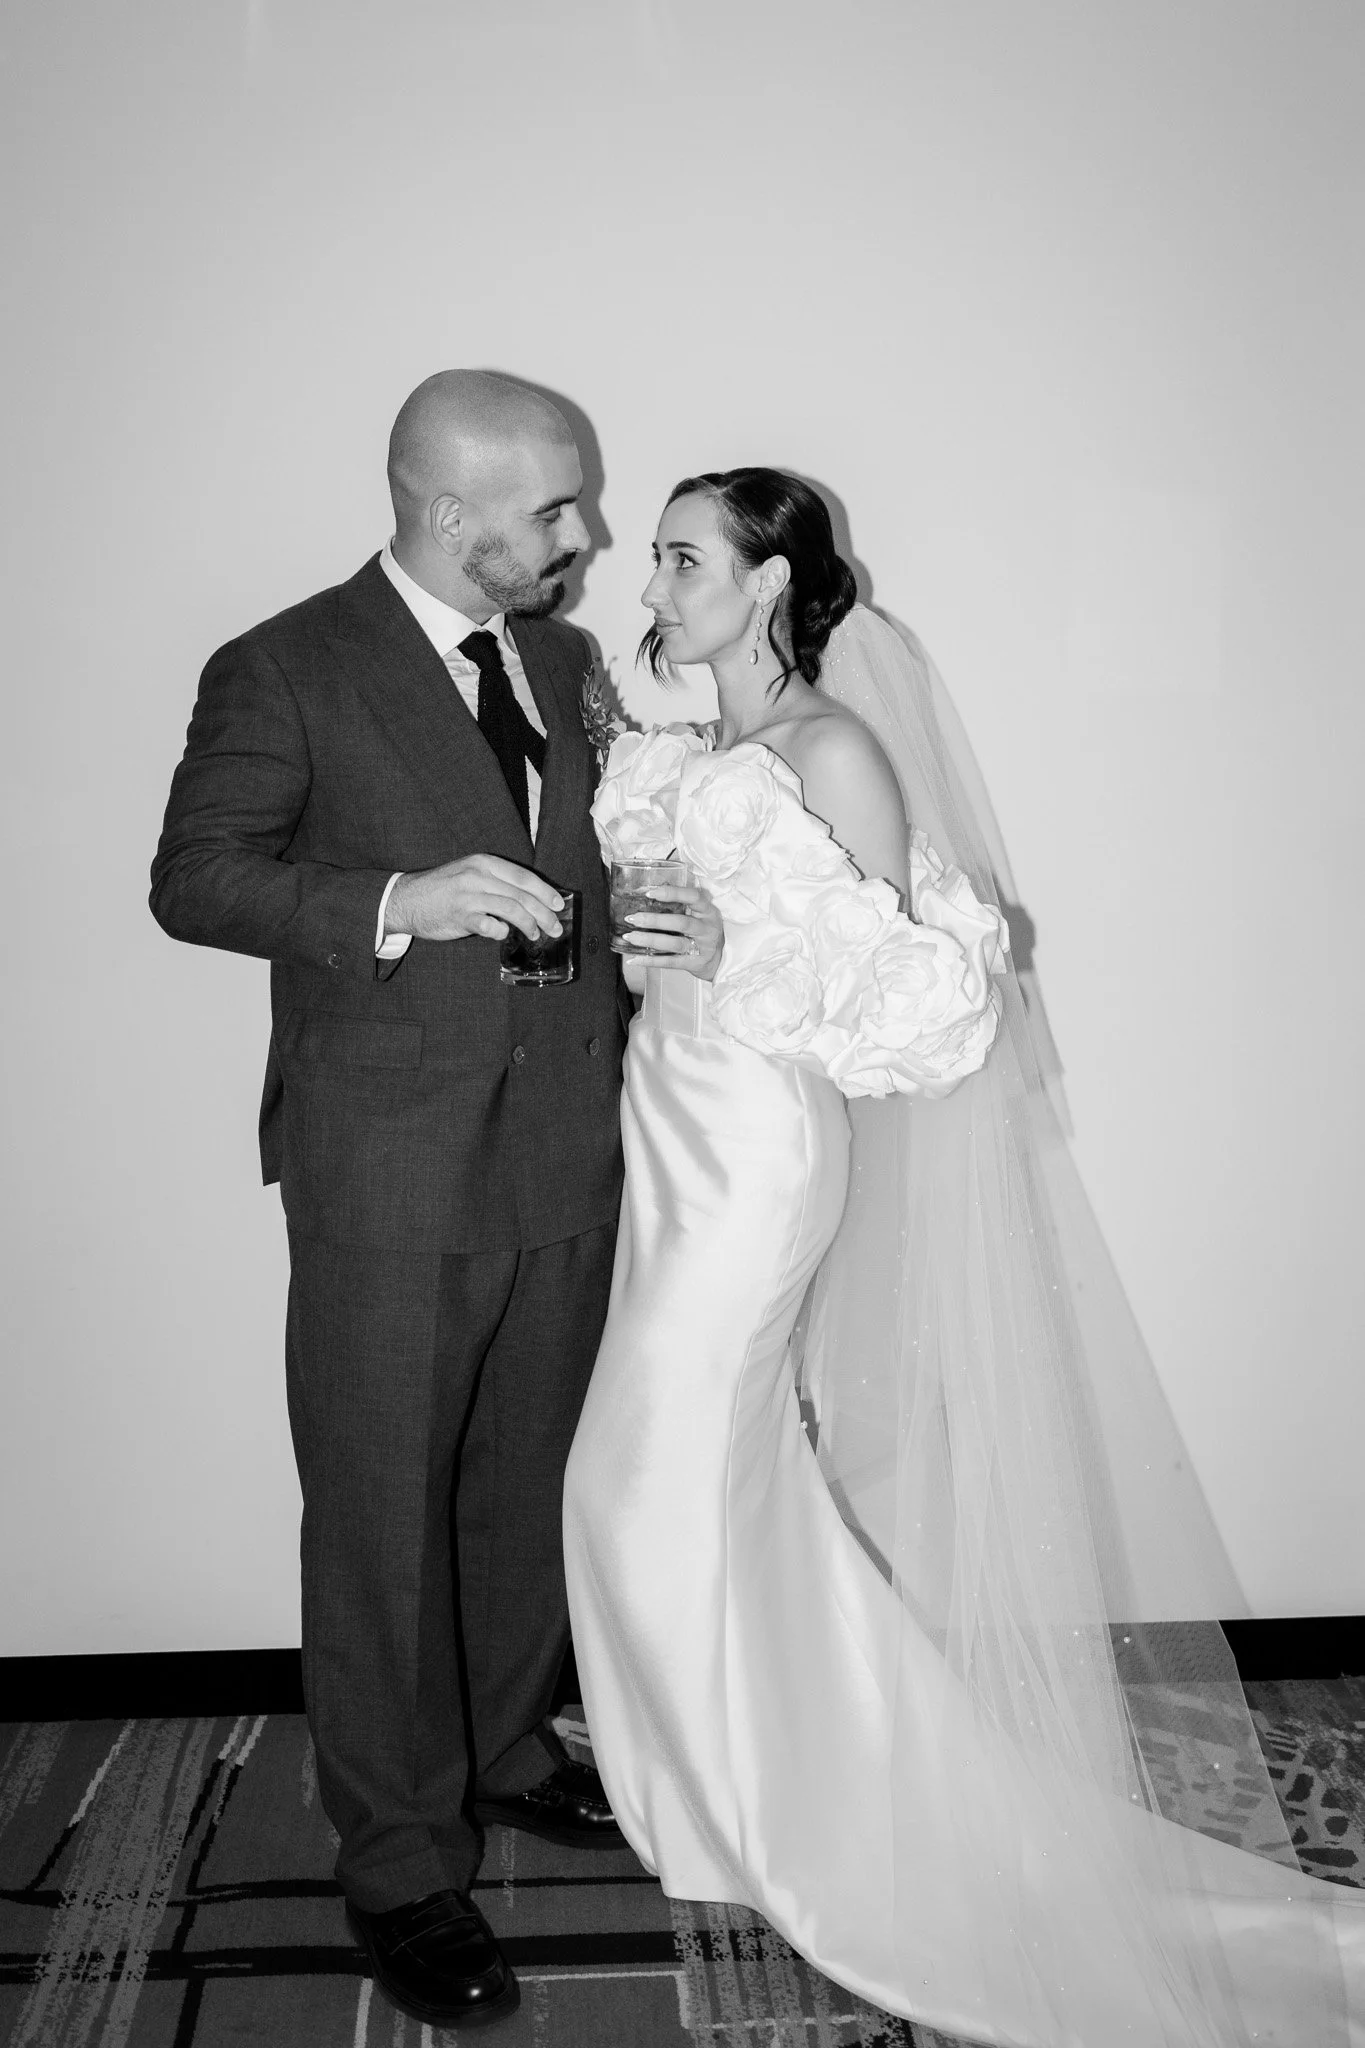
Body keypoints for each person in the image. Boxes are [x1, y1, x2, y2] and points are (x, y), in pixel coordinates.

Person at [564, 468, 1365, 2045]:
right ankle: (733, 1803)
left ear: (771, 583)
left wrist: (733, 950)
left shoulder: (831, 748)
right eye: (654, 557)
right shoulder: (682, 754)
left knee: (634, 1476)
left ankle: (759, 1814)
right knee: (721, 1491)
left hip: (757, 1150)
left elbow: (918, 996)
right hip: (663, 1134)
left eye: (678, 558)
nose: (648, 584)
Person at [150, 371, 630, 2031]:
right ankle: (399, 1865)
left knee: (522, 1488)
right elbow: (194, 878)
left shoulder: (564, 661)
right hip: (387, 1167)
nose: (585, 535)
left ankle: (502, 1749)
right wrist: (393, 899)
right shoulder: (284, 664)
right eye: (556, 509)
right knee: (376, 1523)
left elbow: (581, 867)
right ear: (450, 509)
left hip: (570, 1143)